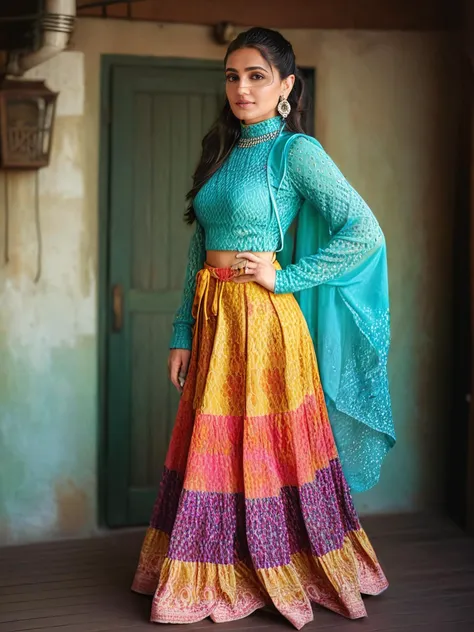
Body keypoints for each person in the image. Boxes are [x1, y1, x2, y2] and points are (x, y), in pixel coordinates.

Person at [131, 26, 395, 630]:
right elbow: (199, 250)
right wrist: (180, 331)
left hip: (264, 323)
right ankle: (215, 565)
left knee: (268, 452)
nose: (242, 87)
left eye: (256, 75)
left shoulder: (295, 153)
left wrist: (289, 277)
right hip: (214, 320)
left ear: (285, 86)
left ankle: (282, 565)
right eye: (232, 75)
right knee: (215, 450)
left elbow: (366, 232)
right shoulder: (223, 151)